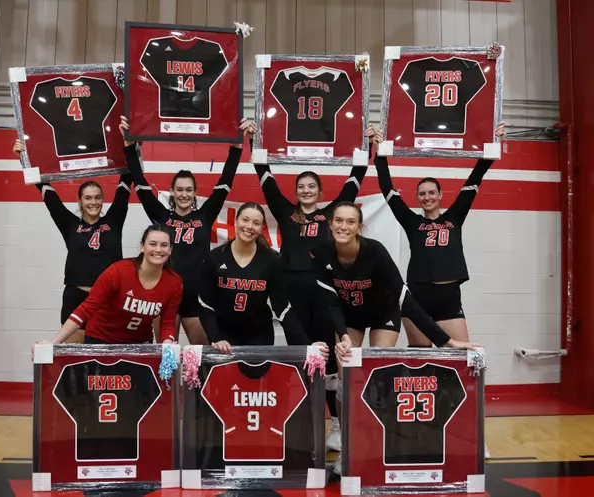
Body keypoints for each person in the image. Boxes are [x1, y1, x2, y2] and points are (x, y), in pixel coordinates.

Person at [311, 201, 479, 475]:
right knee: (345, 374)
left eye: (350, 222)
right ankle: (346, 442)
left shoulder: (374, 252)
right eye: (338, 221)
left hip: (382, 312)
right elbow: (330, 302)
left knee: (376, 374)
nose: (343, 226)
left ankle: (376, 442)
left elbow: (405, 299)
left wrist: (446, 341)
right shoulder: (320, 253)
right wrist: (342, 336)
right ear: (330, 224)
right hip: (349, 316)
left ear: (359, 227)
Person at [250, 122, 374, 452]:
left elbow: (355, 178)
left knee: (331, 361)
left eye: (311, 186)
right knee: (303, 357)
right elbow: (265, 178)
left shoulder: (332, 214)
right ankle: (304, 422)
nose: (305, 190)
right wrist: (254, 138)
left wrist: (368, 142)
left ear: (320, 193)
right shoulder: (285, 212)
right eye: (301, 186)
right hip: (292, 296)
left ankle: (336, 426)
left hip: (324, 295)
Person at [120, 116, 252, 346]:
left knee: (200, 356)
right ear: (171, 191)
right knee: (165, 356)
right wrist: (129, 147)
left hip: (195, 296)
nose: (183, 194)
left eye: (188, 190)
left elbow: (225, 182)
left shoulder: (205, 215)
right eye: (179, 189)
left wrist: (237, 146)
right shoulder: (162, 217)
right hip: (165, 294)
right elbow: (140, 184)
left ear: (194, 192)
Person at [373, 123, 505, 349]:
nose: (427, 197)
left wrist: (494, 145)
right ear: (417, 198)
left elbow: (475, 178)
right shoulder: (412, 221)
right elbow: (388, 190)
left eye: (431, 192)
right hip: (418, 295)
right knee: (421, 356)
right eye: (422, 194)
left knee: (462, 355)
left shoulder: (454, 217)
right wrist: (379, 154)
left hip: (449, 296)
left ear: (440, 194)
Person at [12, 140, 132, 343]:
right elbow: (45, 189)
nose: (93, 202)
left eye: (97, 197)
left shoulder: (114, 220)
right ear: (80, 201)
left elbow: (126, 180)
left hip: (108, 298)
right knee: (74, 359)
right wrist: (23, 158)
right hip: (76, 297)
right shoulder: (69, 223)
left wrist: (132, 147)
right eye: (87, 198)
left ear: (103, 199)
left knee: (106, 358)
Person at [198, 202, 329, 361]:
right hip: (224, 336)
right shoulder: (214, 257)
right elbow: (205, 303)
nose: (249, 226)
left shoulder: (272, 261)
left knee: (258, 384)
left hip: (259, 335)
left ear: (261, 228)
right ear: (236, 221)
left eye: (256, 223)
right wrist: (215, 337)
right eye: (245, 220)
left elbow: (282, 308)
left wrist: (306, 344)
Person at [35, 225, 183, 346]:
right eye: (152, 244)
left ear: (170, 250)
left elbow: (168, 322)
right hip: (102, 340)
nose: (158, 250)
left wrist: (168, 343)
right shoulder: (119, 271)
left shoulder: (174, 283)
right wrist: (54, 342)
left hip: (138, 344)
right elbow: (87, 308)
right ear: (142, 247)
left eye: (164, 245)